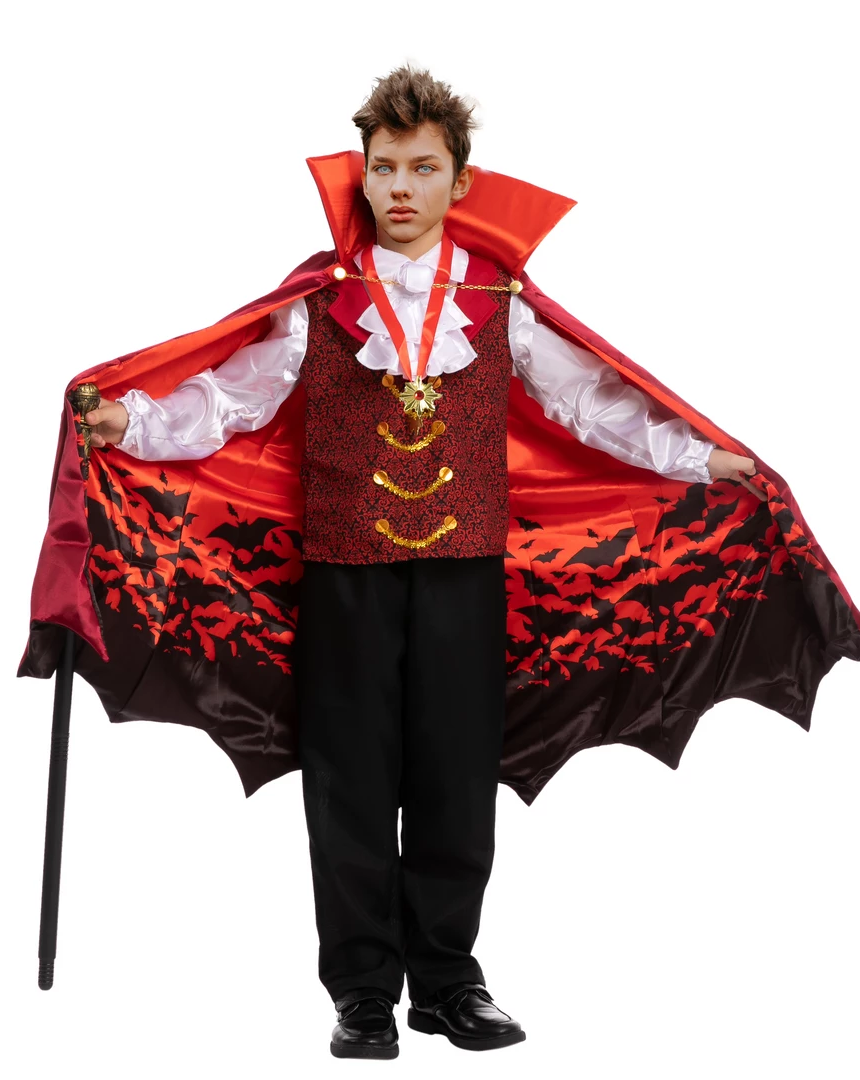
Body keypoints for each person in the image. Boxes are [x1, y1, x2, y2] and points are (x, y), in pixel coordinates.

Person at [76, 65, 762, 1059]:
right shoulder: (322, 298)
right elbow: (229, 399)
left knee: (454, 771)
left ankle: (447, 981)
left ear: (460, 182)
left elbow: (589, 403)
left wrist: (700, 458)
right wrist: (131, 422)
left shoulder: (496, 299)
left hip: (464, 569)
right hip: (343, 569)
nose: (400, 186)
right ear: (362, 176)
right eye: (385, 167)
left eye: (423, 167)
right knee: (348, 777)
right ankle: (362, 991)